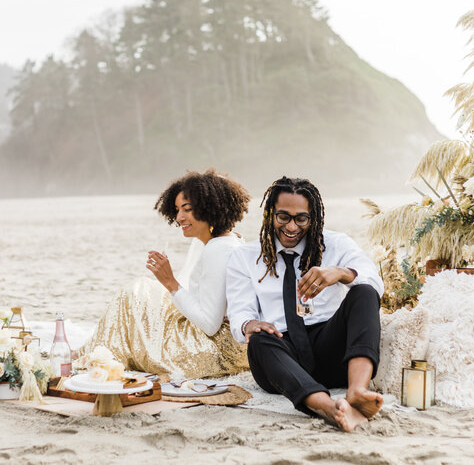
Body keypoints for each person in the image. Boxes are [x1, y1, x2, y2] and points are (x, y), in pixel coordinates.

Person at [226, 176, 385, 432]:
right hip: (280, 356)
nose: (292, 226)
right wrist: (250, 324)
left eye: (301, 218)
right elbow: (239, 312)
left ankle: (357, 391)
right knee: (258, 337)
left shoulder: (335, 243)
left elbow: (375, 282)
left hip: (329, 347)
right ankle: (327, 407)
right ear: (269, 214)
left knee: (364, 291)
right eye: (283, 217)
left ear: (313, 218)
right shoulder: (244, 256)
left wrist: (341, 273)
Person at [78, 169, 251, 379]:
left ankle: (95, 358)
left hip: (214, 349)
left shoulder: (218, 250)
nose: (179, 217)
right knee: (144, 292)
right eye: (177, 210)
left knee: (131, 296)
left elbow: (210, 324)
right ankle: (98, 353)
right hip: (231, 345)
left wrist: (170, 282)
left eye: (187, 209)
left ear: (210, 209)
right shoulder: (230, 240)